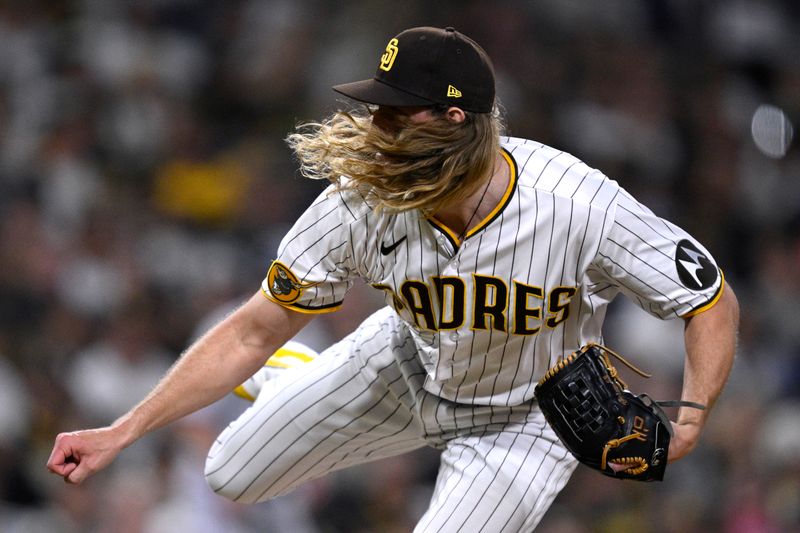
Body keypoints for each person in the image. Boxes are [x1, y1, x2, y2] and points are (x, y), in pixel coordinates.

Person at [48, 26, 740, 531]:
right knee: (229, 472)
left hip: (524, 418)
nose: (376, 124)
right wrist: (124, 428)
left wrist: (695, 414)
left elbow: (708, 298)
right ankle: (295, 373)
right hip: (408, 362)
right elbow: (255, 327)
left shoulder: (575, 203)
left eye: (395, 109)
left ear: (455, 119)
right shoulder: (361, 199)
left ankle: (298, 381)